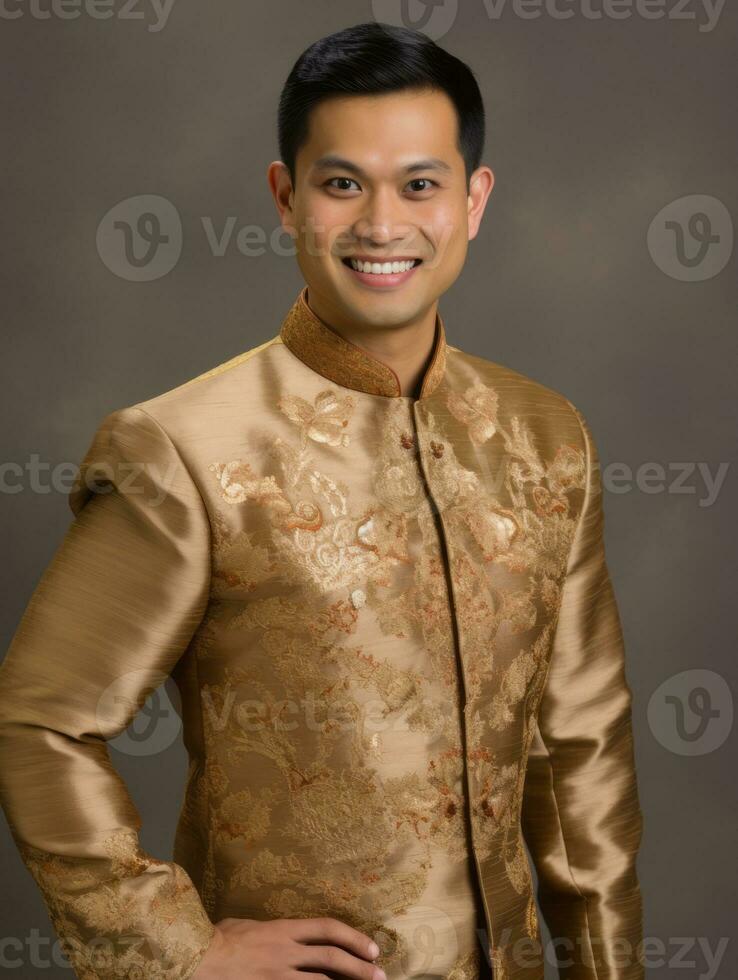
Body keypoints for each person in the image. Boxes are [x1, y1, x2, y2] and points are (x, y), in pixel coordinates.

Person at [0, 21, 644, 980]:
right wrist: (176, 948)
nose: (382, 225)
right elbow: (41, 721)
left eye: (420, 185)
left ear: (475, 201)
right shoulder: (182, 449)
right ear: (285, 196)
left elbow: (579, 742)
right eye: (343, 184)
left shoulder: (547, 436)